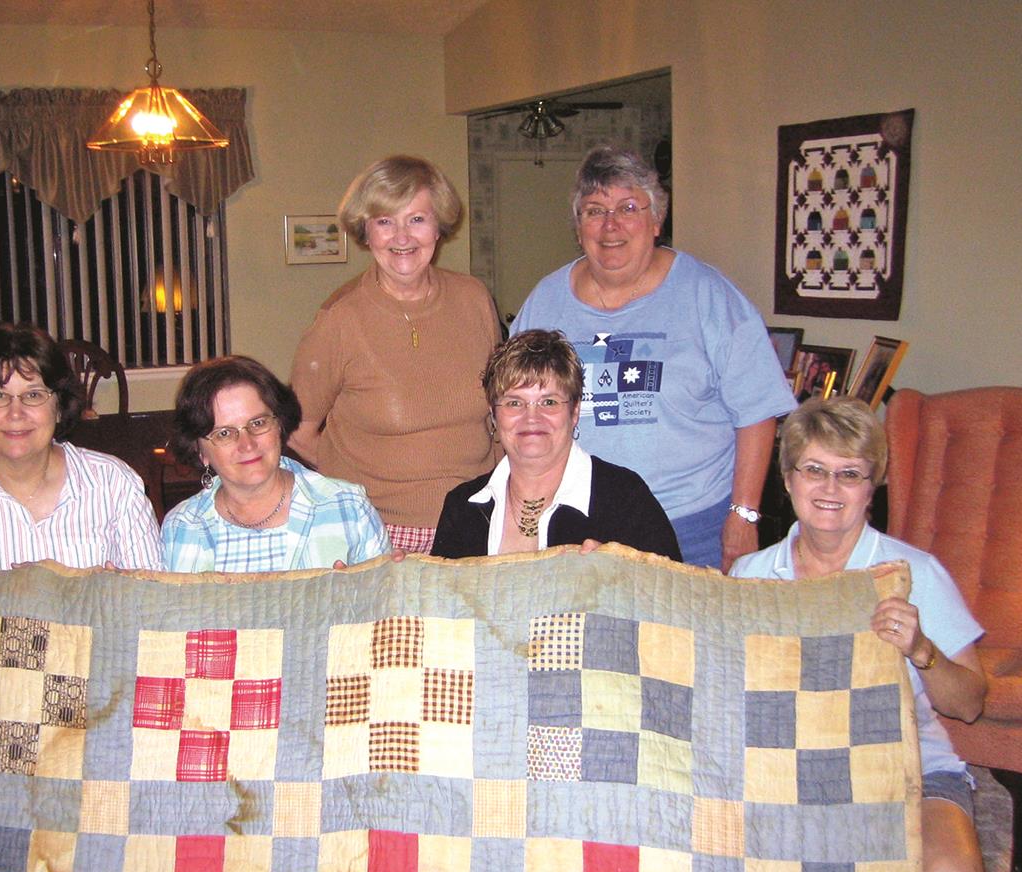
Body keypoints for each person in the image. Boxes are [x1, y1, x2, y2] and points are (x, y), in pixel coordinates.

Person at [730, 397, 987, 872]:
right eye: (814, 469)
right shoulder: (751, 577)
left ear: (874, 486)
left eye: (851, 473)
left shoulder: (910, 572)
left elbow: (971, 702)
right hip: (784, 770)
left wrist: (922, 648)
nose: (830, 488)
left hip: (908, 768)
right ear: (787, 478)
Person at [511, 143, 797, 571]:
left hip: (691, 527)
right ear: (578, 226)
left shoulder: (708, 296)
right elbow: (515, 410)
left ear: (656, 219)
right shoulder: (545, 302)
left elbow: (757, 410)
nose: (611, 225)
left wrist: (743, 513)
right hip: (575, 527)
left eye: (628, 207)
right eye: (594, 211)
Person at [289, 155, 500, 554]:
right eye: (385, 221)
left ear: (439, 226)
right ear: (366, 232)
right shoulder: (340, 318)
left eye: (417, 219)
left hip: (480, 518)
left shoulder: (473, 299)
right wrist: (357, 495)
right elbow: (297, 429)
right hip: (384, 534)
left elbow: (501, 408)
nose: (402, 237)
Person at [0, 323, 163, 606]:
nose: (16, 413)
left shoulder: (114, 485)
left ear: (59, 407)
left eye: (33, 395)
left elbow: (152, 606)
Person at [432, 330, 680, 562]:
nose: (532, 418)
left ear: (574, 412)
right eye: (514, 403)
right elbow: (437, 603)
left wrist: (621, 576)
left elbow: (672, 598)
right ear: (494, 416)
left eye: (548, 402)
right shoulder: (462, 506)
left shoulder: (625, 498)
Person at [162, 356, 390, 573]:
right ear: (200, 451)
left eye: (258, 422)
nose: (247, 444)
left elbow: (388, 607)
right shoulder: (181, 528)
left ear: (279, 425)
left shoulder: (347, 508)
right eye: (224, 433)